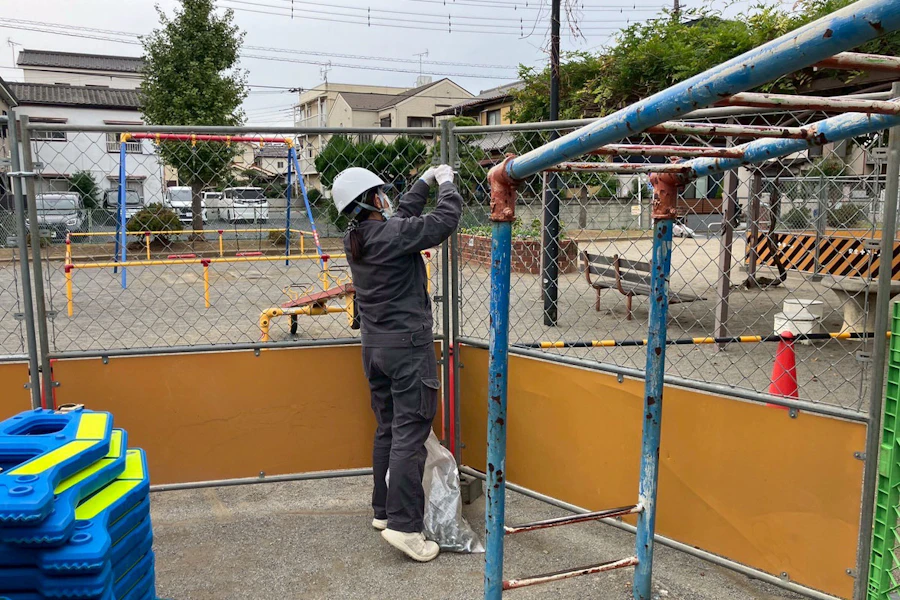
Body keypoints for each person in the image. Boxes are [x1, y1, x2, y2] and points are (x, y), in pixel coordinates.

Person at [331, 163, 461, 563]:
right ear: (372, 200)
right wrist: (446, 184)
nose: (387, 199)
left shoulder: (358, 237)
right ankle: (405, 527)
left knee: (388, 428)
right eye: (381, 194)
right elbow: (444, 221)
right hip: (407, 349)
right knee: (410, 432)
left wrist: (421, 183)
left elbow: (401, 218)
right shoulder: (391, 235)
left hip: (375, 349)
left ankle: (384, 511)